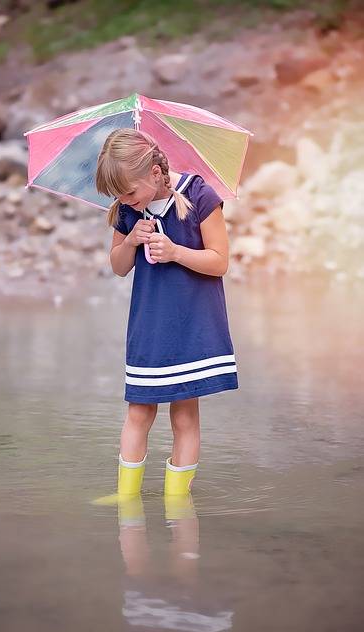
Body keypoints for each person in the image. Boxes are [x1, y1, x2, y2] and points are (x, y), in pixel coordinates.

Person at [93, 128, 238, 501]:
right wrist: (129, 241)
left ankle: (177, 501)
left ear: (155, 175)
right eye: (119, 195)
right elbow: (118, 266)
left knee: (184, 415)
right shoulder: (128, 210)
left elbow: (220, 262)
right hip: (150, 322)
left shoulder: (200, 196)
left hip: (192, 322)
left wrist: (175, 252)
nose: (125, 200)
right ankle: (126, 499)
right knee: (138, 411)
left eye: (129, 192)